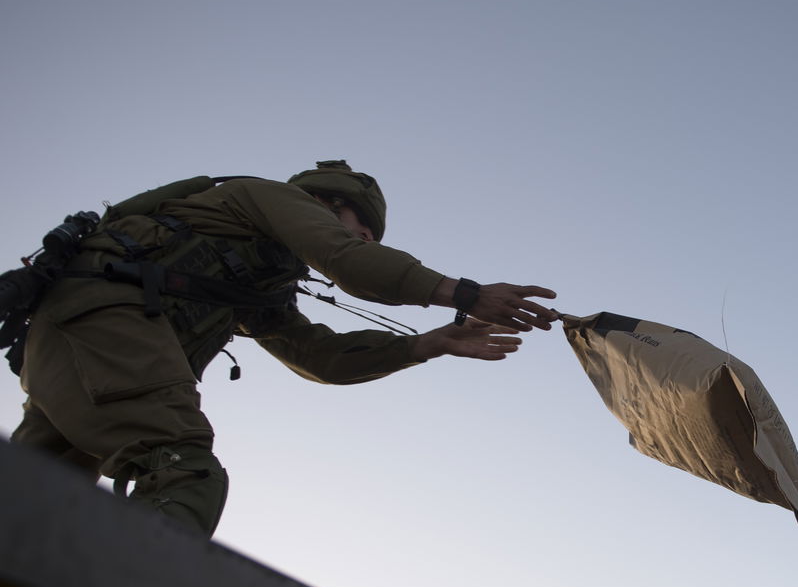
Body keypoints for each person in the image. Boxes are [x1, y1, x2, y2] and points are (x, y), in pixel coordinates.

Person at [7, 160, 559, 536]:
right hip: (101, 324)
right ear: (322, 202)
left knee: (33, 503)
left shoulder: (255, 280)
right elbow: (348, 263)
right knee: (182, 468)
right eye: (356, 228)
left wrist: (425, 345)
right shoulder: (265, 196)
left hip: (80, 347)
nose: (360, 242)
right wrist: (463, 294)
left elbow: (320, 357)